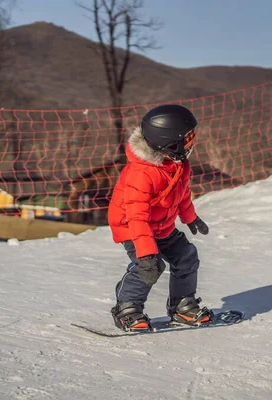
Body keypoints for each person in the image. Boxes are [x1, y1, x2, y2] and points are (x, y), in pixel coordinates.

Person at [107, 104, 212, 332]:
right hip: (133, 227)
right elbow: (136, 218)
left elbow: (181, 194)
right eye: (187, 139)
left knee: (186, 256)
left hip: (161, 225)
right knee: (150, 266)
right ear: (169, 142)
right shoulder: (141, 174)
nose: (191, 144)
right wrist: (146, 254)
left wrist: (190, 217)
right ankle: (127, 308)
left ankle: (182, 307)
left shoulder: (177, 165)